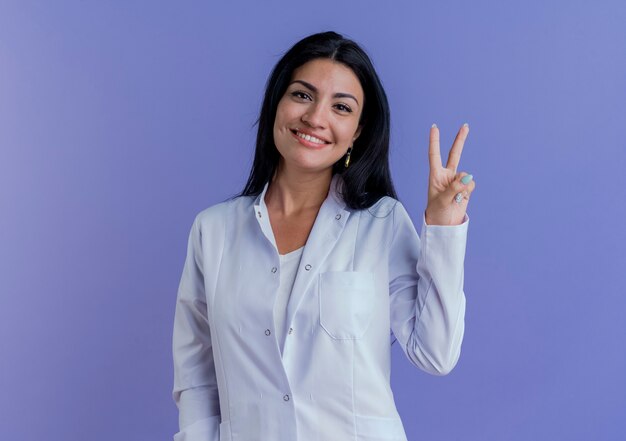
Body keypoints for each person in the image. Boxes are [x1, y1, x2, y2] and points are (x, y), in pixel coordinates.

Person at [171, 31, 476, 441]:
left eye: (341, 107)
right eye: (301, 95)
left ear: (358, 132)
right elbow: (196, 377)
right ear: (276, 103)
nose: (316, 118)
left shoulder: (381, 224)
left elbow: (435, 354)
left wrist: (443, 226)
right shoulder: (214, 230)